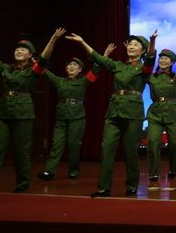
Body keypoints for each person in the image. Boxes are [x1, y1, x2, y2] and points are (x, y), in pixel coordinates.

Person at [0, 28, 65, 195]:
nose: (19, 51)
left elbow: (44, 57)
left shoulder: (34, 70)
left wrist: (53, 39)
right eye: (17, 49)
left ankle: (22, 184)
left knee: (22, 151)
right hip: (3, 112)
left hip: (23, 113)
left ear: (30, 55)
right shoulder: (6, 68)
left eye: (23, 50)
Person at [66, 31, 156, 197]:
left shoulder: (144, 68)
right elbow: (99, 58)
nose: (131, 47)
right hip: (114, 111)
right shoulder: (118, 65)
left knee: (130, 151)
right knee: (107, 148)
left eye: (136, 45)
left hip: (133, 113)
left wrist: (152, 42)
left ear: (142, 50)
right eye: (130, 44)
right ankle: (103, 187)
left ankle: (132, 185)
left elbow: (150, 58)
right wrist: (82, 41)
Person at [37, 43, 115, 181]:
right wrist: (36, 62)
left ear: (80, 69)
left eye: (75, 65)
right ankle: (49, 171)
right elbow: (45, 72)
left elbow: (96, 69)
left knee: (74, 145)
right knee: (56, 145)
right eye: (69, 65)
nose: (71, 67)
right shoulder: (60, 81)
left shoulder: (84, 80)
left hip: (77, 117)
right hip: (61, 116)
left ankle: (73, 170)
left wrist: (105, 55)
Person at [145, 45, 176, 189]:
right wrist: (151, 45)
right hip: (155, 112)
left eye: (166, 59)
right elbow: (147, 65)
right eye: (161, 58)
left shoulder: (175, 77)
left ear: (171, 62)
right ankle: (153, 173)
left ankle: (173, 169)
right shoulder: (151, 77)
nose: (162, 60)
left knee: (175, 143)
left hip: (173, 112)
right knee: (152, 142)